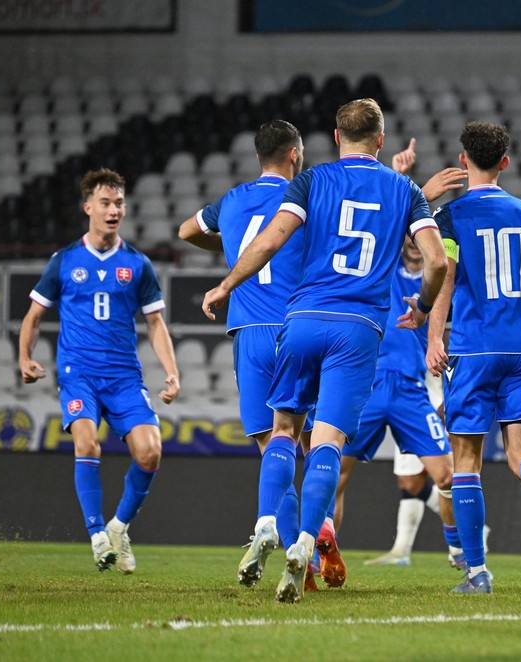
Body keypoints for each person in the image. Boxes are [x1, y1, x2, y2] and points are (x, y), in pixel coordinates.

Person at [201, 98, 447, 604]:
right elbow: (438, 262)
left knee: (284, 432)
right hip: (357, 331)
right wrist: (421, 307)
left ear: (336, 138)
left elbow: (270, 241)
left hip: (303, 320)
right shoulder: (404, 191)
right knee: (328, 443)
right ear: (380, 140)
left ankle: (268, 523)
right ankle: (307, 543)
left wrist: (227, 285)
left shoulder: (311, 181)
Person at [426, 120, 521, 594]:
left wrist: (435, 338)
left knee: (466, 461)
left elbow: (445, 281)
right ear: (505, 163)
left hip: (474, 350)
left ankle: (477, 573)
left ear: (463, 162)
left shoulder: (451, 217)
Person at [177, 119, 318, 591]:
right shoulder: (306, 194)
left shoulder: (233, 200)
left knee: (273, 446)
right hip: (295, 326)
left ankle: (269, 529)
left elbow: (184, 231)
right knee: (295, 439)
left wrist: (232, 245)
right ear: (295, 154)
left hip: (248, 329)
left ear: (259, 156)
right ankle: (301, 548)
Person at [18, 168, 180, 574]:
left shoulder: (137, 264)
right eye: (105, 203)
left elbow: (156, 323)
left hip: (125, 376)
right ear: (88, 207)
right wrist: (24, 357)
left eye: (119, 203)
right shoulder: (65, 261)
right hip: (79, 374)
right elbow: (34, 316)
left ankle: (118, 528)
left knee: (151, 451)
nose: (113, 210)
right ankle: (96, 536)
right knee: (86, 443)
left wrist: (172, 372)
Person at [335, 141, 470, 568]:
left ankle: (457, 550)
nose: (413, 242)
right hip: (370, 384)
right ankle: (321, 554)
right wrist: (406, 181)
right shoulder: (385, 267)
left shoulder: (442, 278)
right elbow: (383, 223)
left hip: (413, 389)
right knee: (335, 474)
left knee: (446, 476)